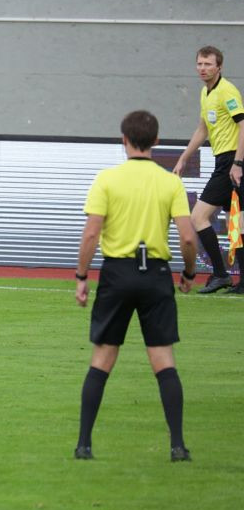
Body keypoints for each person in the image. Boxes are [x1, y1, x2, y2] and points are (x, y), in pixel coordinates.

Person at [74, 110, 197, 462]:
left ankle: (84, 444)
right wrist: (188, 274)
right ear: (157, 142)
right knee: (163, 361)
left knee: (102, 360)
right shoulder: (170, 182)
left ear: (123, 140)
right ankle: (177, 446)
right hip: (155, 275)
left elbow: (92, 233)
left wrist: (82, 277)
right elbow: (188, 237)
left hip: (116, 274)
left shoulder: (107, 180)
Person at [173, 46, 244, 294]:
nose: (203, 68)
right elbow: (202, 129)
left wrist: (237, 164)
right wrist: (184, 158)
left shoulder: (227, 91)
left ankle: (220, 274)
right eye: (200, 64)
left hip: (230, 163)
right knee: (236, 221)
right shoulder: (206, 93)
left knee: (198, 217)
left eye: (208, 64)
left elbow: (243, 124)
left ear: (219, 67)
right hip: (223, 161)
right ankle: (240, 282)